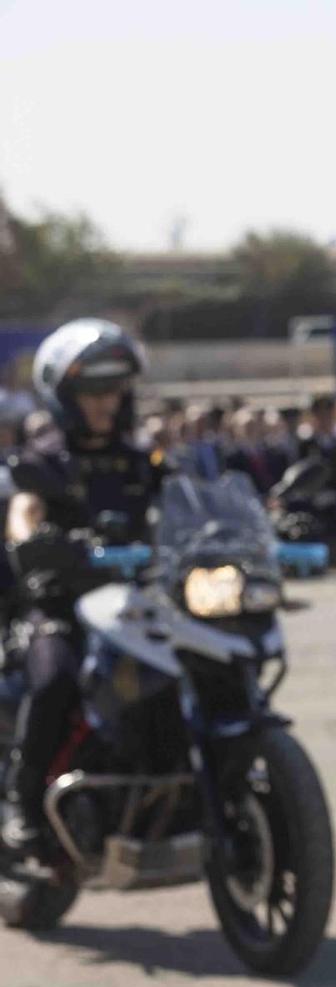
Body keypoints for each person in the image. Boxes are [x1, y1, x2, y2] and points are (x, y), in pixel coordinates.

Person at [2, 319, 161, 870]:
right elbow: (24, 509)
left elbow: (192, 502)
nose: (107, 401)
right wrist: (33, 538)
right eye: (94, 390)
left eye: (115, 388)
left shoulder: (143, 459)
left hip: (136, 603)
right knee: (54, 679)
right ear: (66, 395)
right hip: (63, 604)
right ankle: (21, 805)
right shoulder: (44, 457)